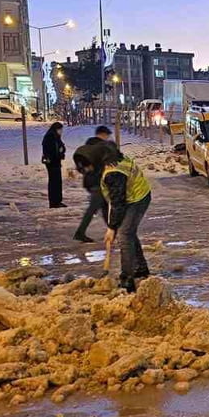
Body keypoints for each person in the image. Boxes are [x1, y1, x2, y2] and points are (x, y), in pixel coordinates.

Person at [95, 142, 153, 293]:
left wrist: (111, 228)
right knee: (129, 232)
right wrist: (111, 223)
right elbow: (113, 200)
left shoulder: (114, 173)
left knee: (124, 234)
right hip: (130, 196)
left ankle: (127, 279)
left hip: (138, 198)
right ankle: (140, 268)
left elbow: (118, 204)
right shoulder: (114, 162)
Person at [73, 126, 115, 243]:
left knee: (105, 206)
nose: (108, 137)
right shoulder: (101, 147)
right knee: (93, 208)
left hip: (90, 180)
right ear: (102, 134)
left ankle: (113, 231)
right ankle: (80, 233)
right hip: (98, 181)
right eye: (107, 135)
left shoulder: (88, 146)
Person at [41, 122, 66, 208]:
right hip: (52, 162)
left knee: (57, 182)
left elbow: (61, 147)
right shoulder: (51, 137)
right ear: (56, 129)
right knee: (54, 182)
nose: (61, 131)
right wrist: (59, 153)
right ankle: (54, 202)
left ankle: (57, 201)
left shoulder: (55, 136)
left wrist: (61, 151)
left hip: (55, 162)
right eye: (60, 129)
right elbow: (53, 150)